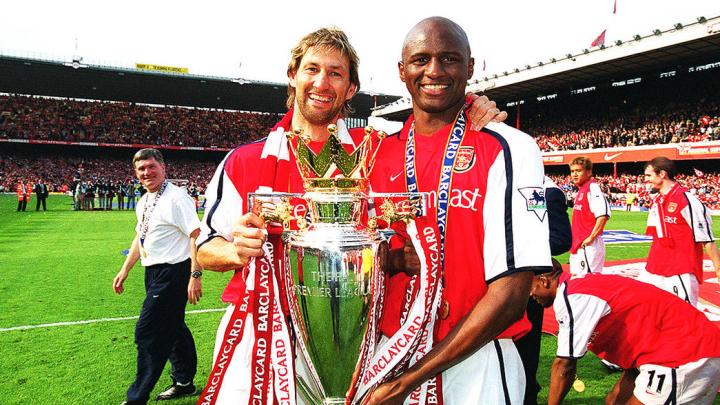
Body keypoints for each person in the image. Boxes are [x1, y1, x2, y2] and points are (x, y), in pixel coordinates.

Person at [194, 27, 505, 404]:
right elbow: (205, 248)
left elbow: (433, 127)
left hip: (351, 334)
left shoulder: (378, 152)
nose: (322, 83)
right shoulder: (243, 161)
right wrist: (235, 250)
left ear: (351, 88)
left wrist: (471, 105)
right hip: (260, 330)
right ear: (293, 76)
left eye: (336, 73)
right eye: (312, 69)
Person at [365, 17, 551, 404]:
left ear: (470, 66)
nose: (434, 71)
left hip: (475, 361)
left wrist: (408, 382)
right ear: (401, 70)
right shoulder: (377, 154)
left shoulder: (510, 147)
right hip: (390, 353)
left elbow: (512, 293)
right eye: (421, 59)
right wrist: (394, 259)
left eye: (449, 59)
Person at [530, 270, 720, 405]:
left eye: (529, 287)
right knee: (614, 400)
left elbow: (564, 366)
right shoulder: (579, 284)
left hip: (683, 355)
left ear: (544, 281)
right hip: (665, 349)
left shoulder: (572, 298)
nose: (529, 294)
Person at [112, 148, 203, 405]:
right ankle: (184, 382)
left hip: (173, 272)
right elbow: (140, 237)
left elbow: (196, 236)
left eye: (151, 166)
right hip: (152, 272)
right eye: (141, 169)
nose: (146, 172)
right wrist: (125, 269)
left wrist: (195, 275)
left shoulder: (177, 198)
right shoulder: (144, 200)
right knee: (173, 327)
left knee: (148, 331)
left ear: (163, 167)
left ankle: (136, 397)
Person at [514, 176, 571, 405]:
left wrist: (512, 249)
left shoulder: (544, 190)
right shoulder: (504, 181)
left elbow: (561, 239)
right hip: (499, 280)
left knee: (524, 349)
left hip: (529, 284)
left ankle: (527, 395)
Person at [641, 157, 720, 306]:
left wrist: (718, 270)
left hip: (679, 271)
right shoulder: (657, 200)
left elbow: (707, 239)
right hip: (653, 269)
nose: (646, 180)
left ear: (662, 174)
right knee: (648, 313)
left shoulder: (687, 201)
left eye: (649, 175)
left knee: (684, 316)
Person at [568, 157, 610, 277]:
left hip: (588, 246)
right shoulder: (582, 189)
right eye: (572, 171)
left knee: (588, 281)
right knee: (576, 281)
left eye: (578, 171)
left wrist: (591, 238)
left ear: (588, 172)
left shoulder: (592, 188)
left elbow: (603, 215)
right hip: (578, 245)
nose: (574, 174)